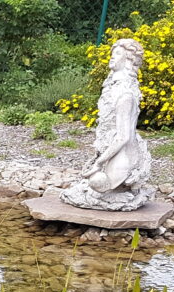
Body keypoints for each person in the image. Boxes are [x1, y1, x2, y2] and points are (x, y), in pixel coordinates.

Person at [61, 38, 153, 211]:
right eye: (112, 53)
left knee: (96, 182)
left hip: (122, 157)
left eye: (117, 54)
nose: (111, 57)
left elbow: (123, 136)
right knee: (93, 183)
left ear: (129, 61)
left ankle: (116, 192)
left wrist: (100, 162)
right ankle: (115, 192)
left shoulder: (125, 93)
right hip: (111, 149)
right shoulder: (116, 87)